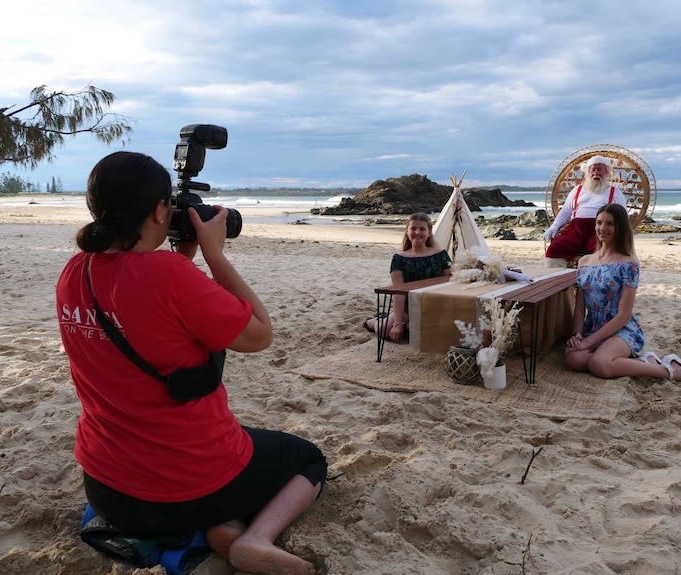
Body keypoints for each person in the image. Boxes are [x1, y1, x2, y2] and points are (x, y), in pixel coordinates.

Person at [56, 151, 328, 575]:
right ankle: (253, 539)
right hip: (182, 484)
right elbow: (259, 334)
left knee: (237, 466)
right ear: (160, 209)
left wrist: (182, 257)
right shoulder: (168, 276)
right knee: (307, 458)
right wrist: (215, 254)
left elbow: (141, 307)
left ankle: (224, 527)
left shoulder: (75, 272)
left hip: (108, 488)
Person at [564, 202, 681, 382]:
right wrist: (578, 335)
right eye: (599, 222)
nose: (602, 228)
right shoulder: (584, 262)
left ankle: (670, 370)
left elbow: (623, 315)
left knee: (599, 364)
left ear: (620, 227)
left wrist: (588, 343)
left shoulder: (628, 263)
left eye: (609, 223)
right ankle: (641, 360)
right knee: (574, 358)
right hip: (594, 327)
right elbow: (580, 306)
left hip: (622, 329)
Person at [362, 212, 453, 342]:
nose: (417, 232)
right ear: (407, 231)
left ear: (429, 232)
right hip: (407, 307)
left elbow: (450, 283)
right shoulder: (399, 259)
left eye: (422, 229)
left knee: (414, 330)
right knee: (384, 329)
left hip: (432, 305)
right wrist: (397, 324)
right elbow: (398, 293)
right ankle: (374, 321)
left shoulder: (441, 255)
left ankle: (396, 320)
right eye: (413, 228)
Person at [543, 155, 628, 267]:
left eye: (600, 169)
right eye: (593, 170)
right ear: (587, 173)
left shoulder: (615, 192)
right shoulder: (577, 190)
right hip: (576, 230)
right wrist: (554, 227)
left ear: (607, 172)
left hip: (601, 230)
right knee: (555, 249)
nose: (596, 173)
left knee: (603, 252)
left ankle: (596, 281)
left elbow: (623, 217)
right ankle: (555, 281)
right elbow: (565, 213)